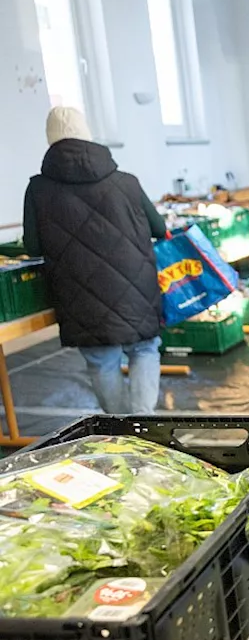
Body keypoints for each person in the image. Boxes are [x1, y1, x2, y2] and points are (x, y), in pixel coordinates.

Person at [23, 107, 168, 413]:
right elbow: (160, 228)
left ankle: (119, 430)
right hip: (135, 285)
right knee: (144, 349)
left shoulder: (37, 188)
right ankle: (144, 425)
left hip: (79, 291)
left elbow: (34, 247)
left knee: (102, 359)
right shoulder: (126, 182)